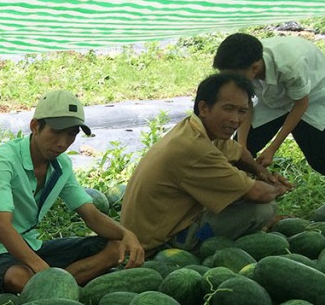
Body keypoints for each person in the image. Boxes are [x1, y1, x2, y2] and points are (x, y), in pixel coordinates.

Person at [0, 89, 144, 293]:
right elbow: (3, 228)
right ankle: (58, 285)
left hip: (31, 246)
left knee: (114, 248)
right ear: (35, 126)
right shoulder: (4, 161)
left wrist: (126, 234)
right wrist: (43, 270)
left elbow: (91, 215)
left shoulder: (61, 166)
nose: (63, 143)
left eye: (71, 135)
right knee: (19, 278)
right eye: (56, 132)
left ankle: (60, 288)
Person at [121, 72, 292, 254]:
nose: (235, 119)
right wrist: (277, 188)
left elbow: (239, 152)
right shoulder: (194, 148)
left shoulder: (197, 128)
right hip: (158, 243)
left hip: (151, 228)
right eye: (228, 109)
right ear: (204, 108)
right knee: (263, 210)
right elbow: (258, 194)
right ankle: (190, 246)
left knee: (243, 196)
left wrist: (260, 172)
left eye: (242, 111)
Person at [213, 32, 325, 182]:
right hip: (273, 99)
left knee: (323, 161)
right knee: (238, 153)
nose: (232, 82)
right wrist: (242, 146)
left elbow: (301, 103)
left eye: (235, 78)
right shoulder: (242, 66)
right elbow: (246, 104)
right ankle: (243, 190)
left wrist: (272, 149)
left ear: (254, 69)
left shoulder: (289, 65)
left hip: (311, 99)